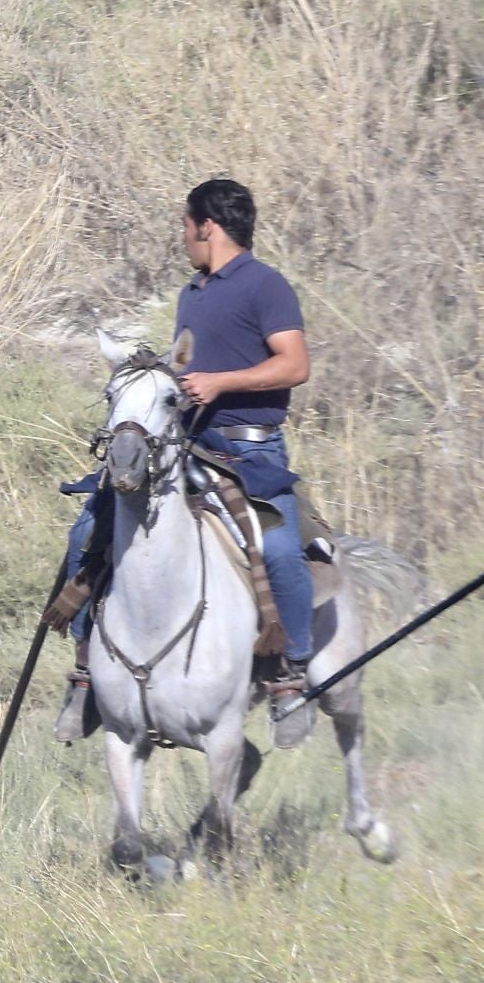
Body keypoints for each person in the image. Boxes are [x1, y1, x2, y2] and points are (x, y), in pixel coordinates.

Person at [57, 179, 316, 749]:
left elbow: (294, 366)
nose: (183, 237)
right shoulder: (191, 294)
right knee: (89, 527)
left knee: (278, 549)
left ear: (208, 227)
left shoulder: (266, 286)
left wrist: (221, 382)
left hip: (251, 449)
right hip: (186, 443)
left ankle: (290, 678)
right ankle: (86, 673)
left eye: (185, 226)